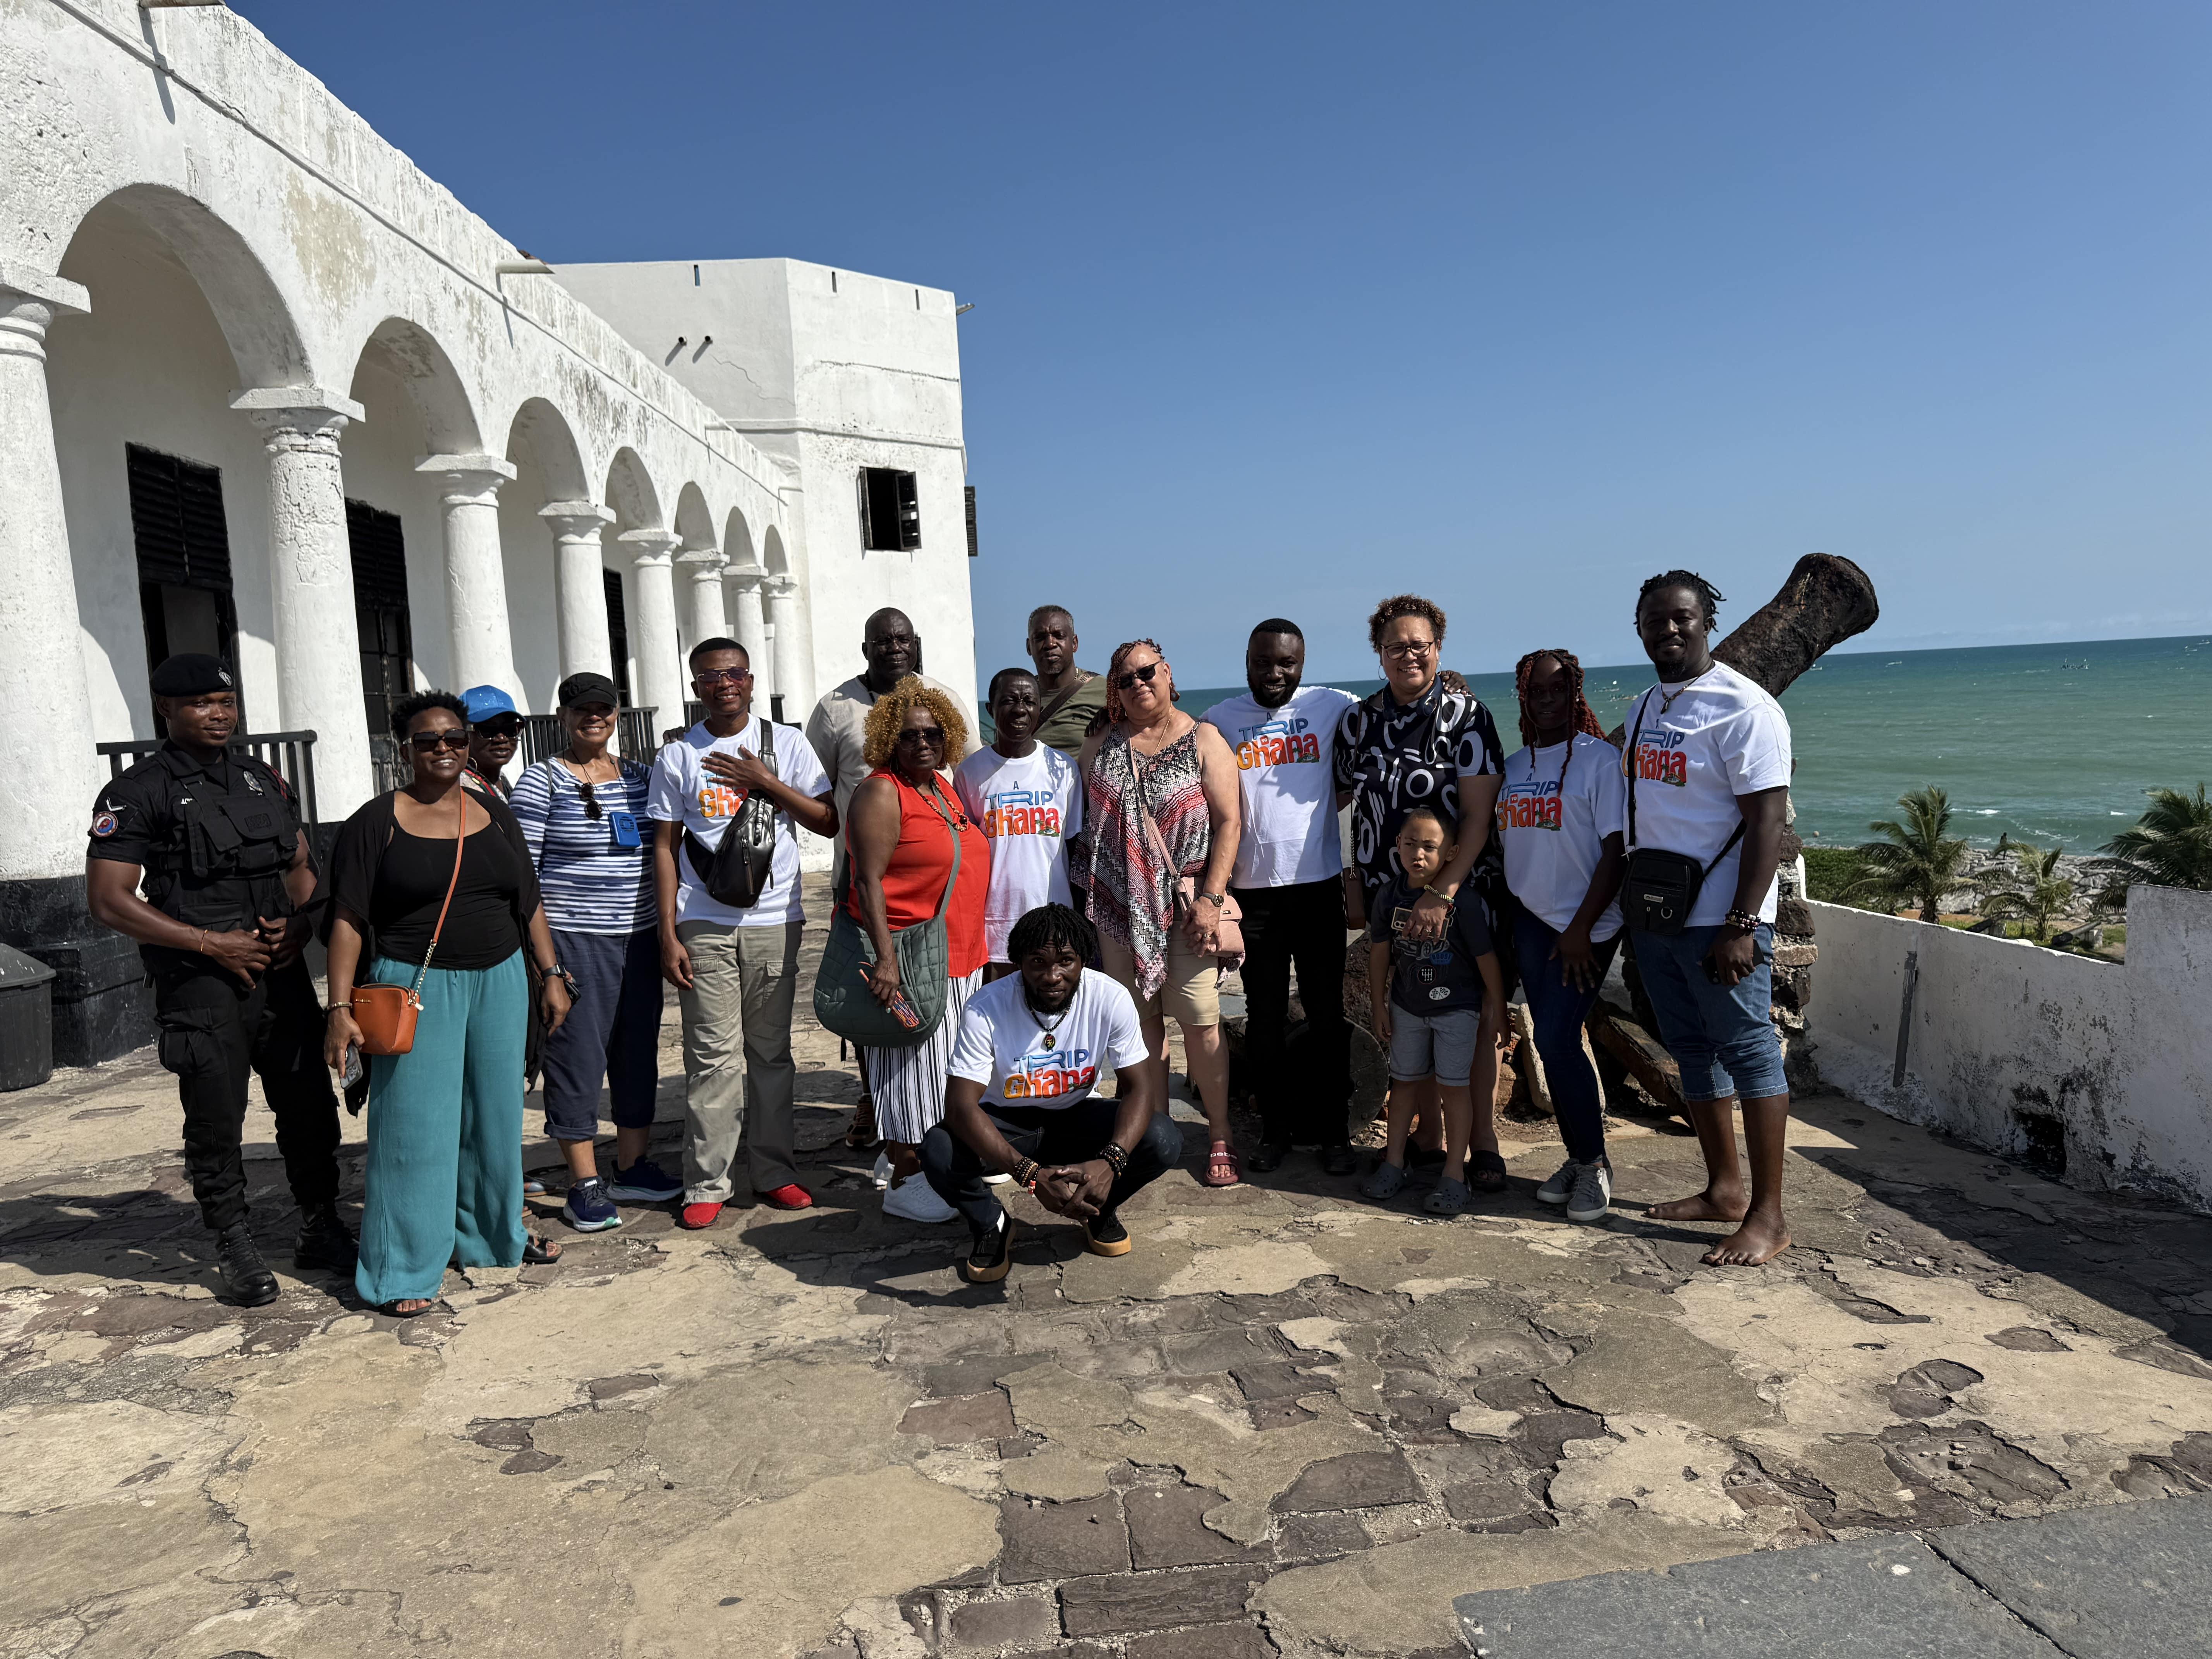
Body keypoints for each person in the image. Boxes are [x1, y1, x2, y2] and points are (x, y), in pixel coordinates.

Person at [83, 653, 351, 1305]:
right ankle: (233, 1239)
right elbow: (109, 897)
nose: (218, 713)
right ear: (164, 710)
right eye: (200, 703)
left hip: (280, 973)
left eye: (225, 701)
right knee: (215, 1118)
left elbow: (300, 865)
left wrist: (302, 926)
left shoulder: (262, 777)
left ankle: (320, 1222)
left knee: (310, 1106)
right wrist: (209, 942)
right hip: (200, 983)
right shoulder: (136, 790)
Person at [321, 692, 573, 1316]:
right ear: (402, 749)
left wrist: (551, 972)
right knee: (414, 1129)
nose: (444, 749)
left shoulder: (493, 811)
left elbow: (529, 901)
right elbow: (348, 919)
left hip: (502, 976)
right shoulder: (375, 821)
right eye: (429, 740)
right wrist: (338, 1007)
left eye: (455, 739)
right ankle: (402, 1267)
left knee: (493, 1119)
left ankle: (490, 1239)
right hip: (414, 984)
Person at [1621, 571, 1793, 1266]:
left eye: (1681, 618)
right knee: (1691, 1049)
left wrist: (1741, 922)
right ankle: (1723, 1186)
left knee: (1749, 1053)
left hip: (1721, 916)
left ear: (1706, 623)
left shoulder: (1744, 708)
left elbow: (1767, 822)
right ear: (1638, 628)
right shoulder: (1641, 708)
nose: (1668, 629)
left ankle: (1769, 1214)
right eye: (1654, 620)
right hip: (1659, 912)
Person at [650, 638, 837, 1230]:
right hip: (703, 920)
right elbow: (663, 846)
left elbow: (827, 820)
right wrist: (668, 932)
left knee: (771, 1055)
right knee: (711, 1057)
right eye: (710, 676)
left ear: (751, 680)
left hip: (775, 917)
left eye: (733, 673)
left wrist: (767, 781)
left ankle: (775, 1171)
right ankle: (707, 1179)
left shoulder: (785, 743)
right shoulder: (680, 755)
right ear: (695, 686)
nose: (723, 683)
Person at [1333, 593, 1509, 1187]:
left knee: (1466, 1014)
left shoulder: (1467, 718)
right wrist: (1352, 878)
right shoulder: (1358, 721)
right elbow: (1335, 805)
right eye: (1395, 646)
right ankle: (1429, 1137)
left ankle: (1481, 1140)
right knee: (1413, 1009)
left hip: (1458, 893)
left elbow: (1480, 819)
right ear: (1378, 654)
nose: (1407, 654)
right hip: (1390, 893)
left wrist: (1446, 893)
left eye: (1419, 645)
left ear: (1437, 649)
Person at [921, 904, 1180, 1283]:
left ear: (1083, 961)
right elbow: (960, 1106)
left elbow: (1142, 1087)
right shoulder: (986, 1007)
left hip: (1075, 1114)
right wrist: (1028, 1174)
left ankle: (1098, 1206)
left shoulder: (1110, 997)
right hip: (1009, 1122)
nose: (1052, 976)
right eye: (1038, 962)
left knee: (1163, 1138)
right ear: (1019, 963)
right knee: (938, 1149)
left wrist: (1111, 1162)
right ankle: (992, 1223)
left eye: (1066, 961)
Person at [508, 671, 682, 1231]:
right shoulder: (542, 782)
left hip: (638, 939)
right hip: (576, 942)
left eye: (603, 708)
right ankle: (584, 1183)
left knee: (637, 1055)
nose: (594, 717)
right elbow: (522, 877)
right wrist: (547, 965)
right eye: (581, 709)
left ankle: (632, 1165)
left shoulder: (639, 776)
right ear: (563, 717)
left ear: (617, 715)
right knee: (578, 1058)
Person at [804, 606, 975, 1150]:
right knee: (891, 1024)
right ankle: (891, 1130)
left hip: (941, 921)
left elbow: (971, 773)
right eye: (882, 641)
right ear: (866, 648)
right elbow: (819, 794)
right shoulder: (837, 712)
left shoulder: (941, 769)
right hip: (878, 891)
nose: (893, 648)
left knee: (932, 1038)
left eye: (902, 639)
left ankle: (926, 1139)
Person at [1080, 639, 1244, 1186]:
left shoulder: (1204, 740)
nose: (1138, 684)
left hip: (1187, 907)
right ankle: (1157, 1128)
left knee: (1201, 1023)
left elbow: (1229, 823)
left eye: (1147, 672)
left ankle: (1219, 1131)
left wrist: (1211, 901)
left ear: (1168, 672)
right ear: (1115, 691)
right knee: (1141, 1026)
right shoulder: (1101, 743)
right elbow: (1086, 823)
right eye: (1125, 679)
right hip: (1120, 910)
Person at [1201, 619, 1357, 1175]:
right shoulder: (1220, 720)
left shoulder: (1333, 704)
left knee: (1326, 1017)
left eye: (1287, 663)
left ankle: (1336, 1133)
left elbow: (1395, 709)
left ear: (1304, 663)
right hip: (1253, 897)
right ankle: (1275, 1131)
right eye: (1264, 662)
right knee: (1263, 1019)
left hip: (1318, 888)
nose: (1275, 673)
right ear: (1247, 661)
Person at [847, 677, 992, 1211]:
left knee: (946, 1071)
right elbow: (868, 882)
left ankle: (940, 1164)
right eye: (910, 736)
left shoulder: (942, 787)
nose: (923, 743)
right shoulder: (884, 790)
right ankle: (906, 1179)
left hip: (959, 957)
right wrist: (886, 959)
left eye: (933, 733)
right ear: (890, 740)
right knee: (909, 1072)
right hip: (910, 958)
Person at [1498, 650, 1628, 1224]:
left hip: (1588, 925)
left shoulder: (1601, 762)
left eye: (1558, 690)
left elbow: (1616, 852)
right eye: (1536, 691)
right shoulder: (1514, 765)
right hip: (1531, 921)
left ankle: (1594, 1164)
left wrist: (1580, 930)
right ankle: (1578, 1160)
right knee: (1554, 1042)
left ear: (1575, 693)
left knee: (1555, 1035)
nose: (1547, 700)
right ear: (1523, 698)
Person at [1361, 804, 1507, 1214]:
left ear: (1452, 852)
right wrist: (1379, 1005)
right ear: (1398, 846)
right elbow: (1378, 956)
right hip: (1406, 1008)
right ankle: (1393, 1163)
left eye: (1429, 847)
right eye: (1410, 844)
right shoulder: (1389, 896)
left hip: (1457, 1011)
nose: (1418, 855)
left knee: (1454, 1089)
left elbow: (1486, 960)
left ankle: (1454, 1174)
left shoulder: (1466, 903)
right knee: (1403, 1084)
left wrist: (1496, 1006)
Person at [955, 668, 1082, 978]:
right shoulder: (970, 773)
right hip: (996, 928)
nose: (1020, 709)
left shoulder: (1063, 769)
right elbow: (966, 855)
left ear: (1039, 708)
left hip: (1056, 922)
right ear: (990, 708)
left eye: (1029, 700)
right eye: (1009, 700)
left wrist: (1080, 922)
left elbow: (1075, 848)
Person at [1025, 606, 1111, 761]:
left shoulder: (1105, 691)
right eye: (1040, 638)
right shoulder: (1021, 697)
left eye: (1059, 636)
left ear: (1074, 644)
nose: (1050, 644)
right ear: (1029, 647)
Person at [459, 685, 522, 800]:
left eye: (510, 729)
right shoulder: (463, 791)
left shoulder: (501, 780)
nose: (502, 739)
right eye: (488, 730)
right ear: (463, 734)